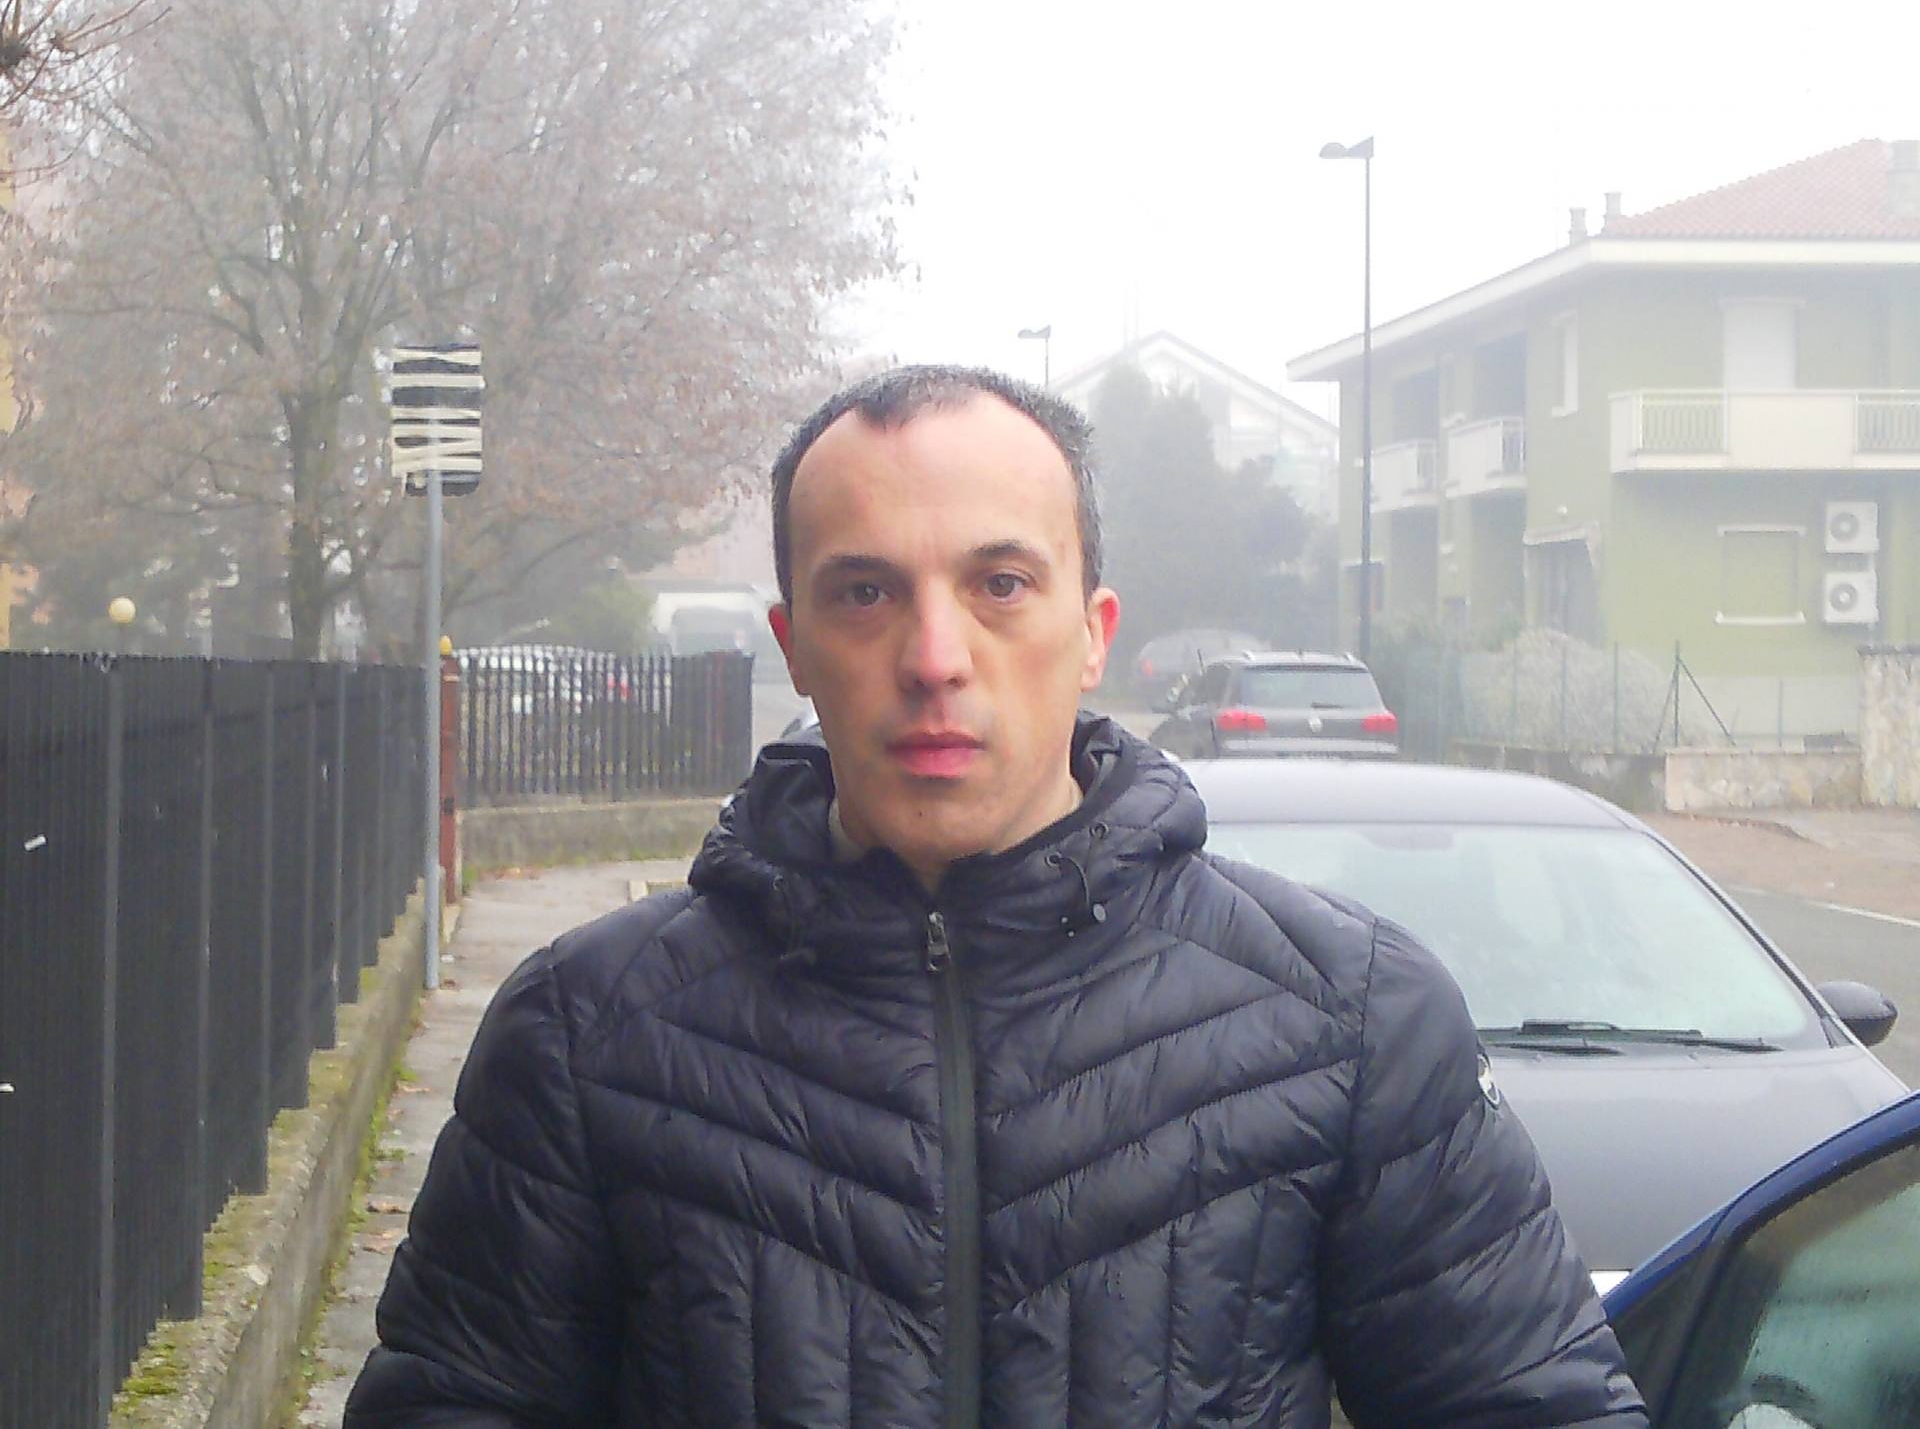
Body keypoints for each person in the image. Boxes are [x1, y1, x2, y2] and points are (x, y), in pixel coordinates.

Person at [346, 365, 1647, 1426]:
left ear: (1092, 631)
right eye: (866, 592)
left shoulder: (1352, 1018)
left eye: (1000, 584)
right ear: (793, 644)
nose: (935, 656)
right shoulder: (586, 1035)